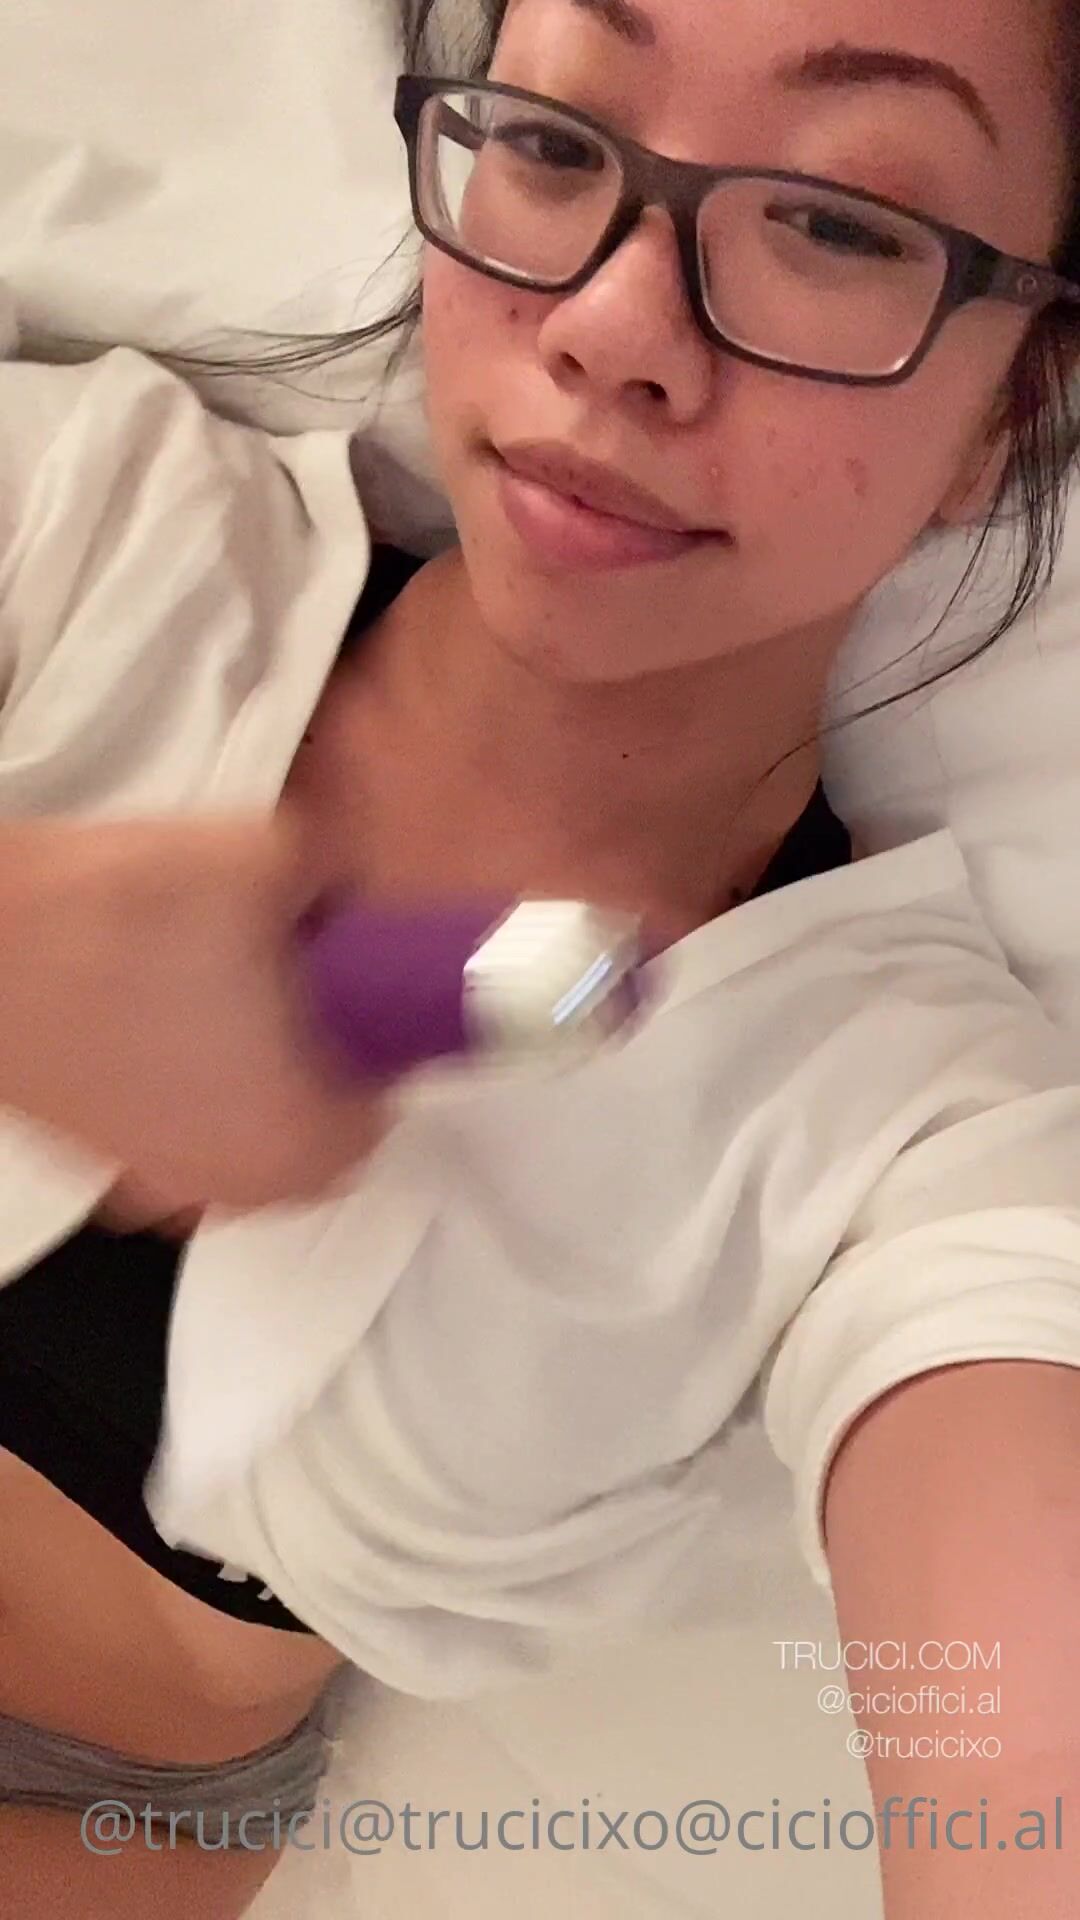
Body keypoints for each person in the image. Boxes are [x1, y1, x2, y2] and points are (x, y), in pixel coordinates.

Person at [0, 0, 1079, 1915]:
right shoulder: (82, 530)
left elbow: (1020, 1752)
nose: (612, 322)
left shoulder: (905, 1128)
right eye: (559, 142)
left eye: (836, 224)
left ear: (1015, 406)